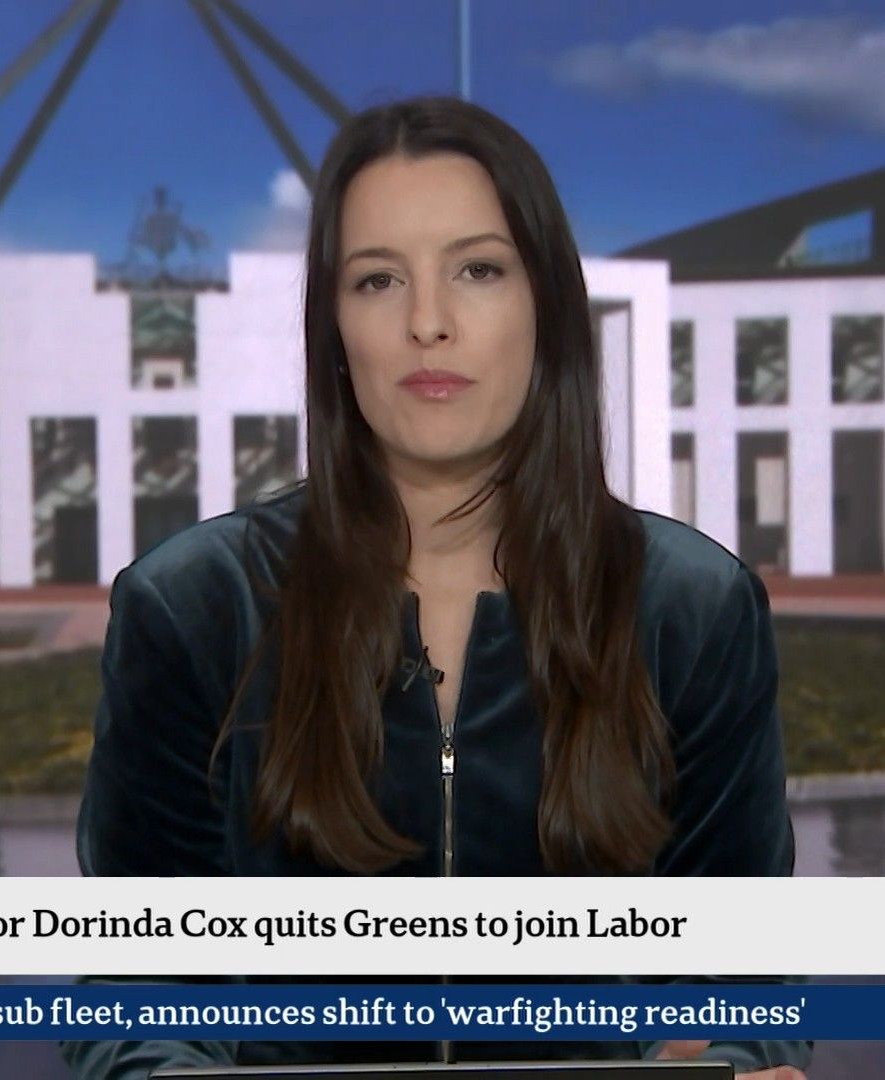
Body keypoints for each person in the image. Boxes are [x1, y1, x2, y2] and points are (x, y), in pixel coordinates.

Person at [65, 95, 810, 1079]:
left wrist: (727, 1057)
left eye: (477, 270)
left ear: (546, 304)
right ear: (335, 328)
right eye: (378, 280)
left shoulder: (692, 609)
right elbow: (136, 997)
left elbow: (746, 984)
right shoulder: (195, 608)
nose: (428, 322)